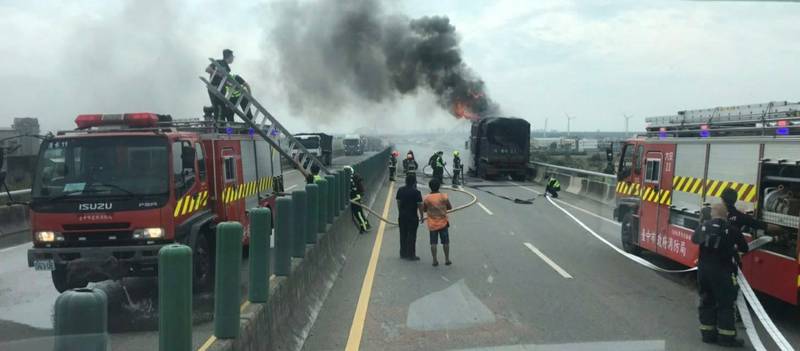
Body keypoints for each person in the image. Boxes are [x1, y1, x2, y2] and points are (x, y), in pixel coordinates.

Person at [691, 203, 748, 347]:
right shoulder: (732, 230)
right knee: (725, 304)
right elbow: (744, 248)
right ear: (726, 215)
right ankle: (726, 338)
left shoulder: (703, 227)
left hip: (704, 272)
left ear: (711, 214)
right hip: (723, 273)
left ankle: (708, 335)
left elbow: (694, 239)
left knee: (706, 301)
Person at [423, 178, 453, 266]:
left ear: (430, 187)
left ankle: (434, 260)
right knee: (446, 242)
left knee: (433, 243)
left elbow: (425, 209)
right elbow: (449, 207)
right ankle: (447, 259)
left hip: (432, 224)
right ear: (439, 186)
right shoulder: (444, 196)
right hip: (443, 223)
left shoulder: (427, 198)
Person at [395, 174, 424, 260]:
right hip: (412, 217)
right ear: (414, 182)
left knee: (403, 234)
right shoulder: (417, 192)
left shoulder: (400, 190)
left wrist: (400, 212)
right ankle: (411, 254)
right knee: (411, 235)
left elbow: (398, 202)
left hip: (402, 216)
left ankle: (403, 253)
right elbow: (420, 205)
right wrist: (422, 216)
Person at [205, 49, 234, 121]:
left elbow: (223, 80)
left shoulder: (228, 69)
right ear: (229, 56)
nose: (233, 58)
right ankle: (219, 125)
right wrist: (218, 74)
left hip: (222, 89)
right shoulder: (218, 62)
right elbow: (207, 69)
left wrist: (229, 84)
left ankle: (208, 110)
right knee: (218, 108)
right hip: (214, 87)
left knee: (221, 107)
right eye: (233, 56)